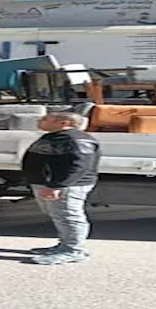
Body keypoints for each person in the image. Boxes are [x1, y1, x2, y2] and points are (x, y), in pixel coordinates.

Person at [21, 112, 101, 266]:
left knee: (68, 216)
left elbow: (79, 165)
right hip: (53, 184)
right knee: (60, 216)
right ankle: (64, 246)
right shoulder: (58, 136)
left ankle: (73, 251)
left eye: (46, 119)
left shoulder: (74, 139)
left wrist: (57, 186)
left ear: (64, 123)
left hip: (67, 186)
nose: (40, 120)